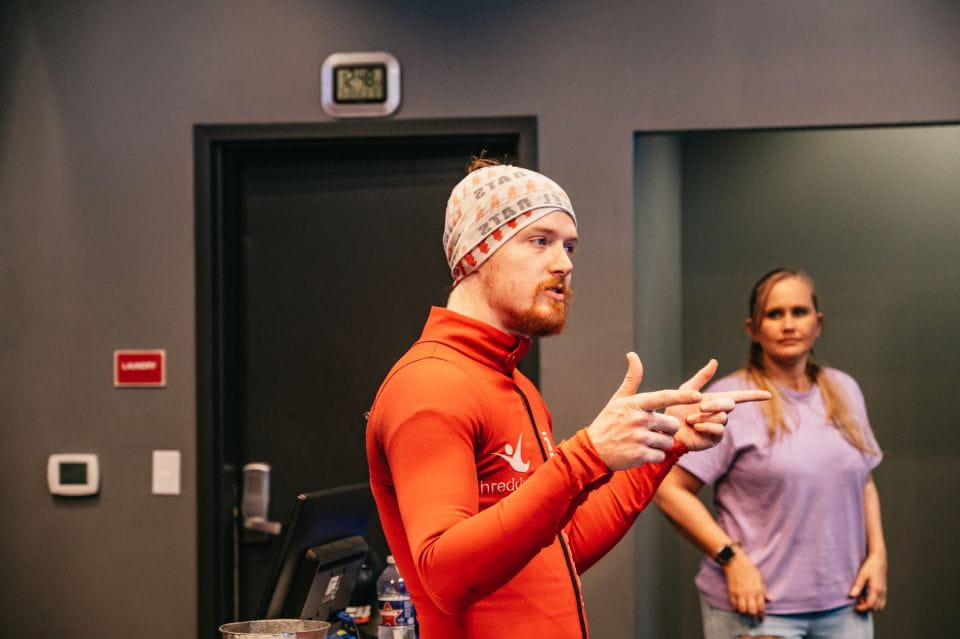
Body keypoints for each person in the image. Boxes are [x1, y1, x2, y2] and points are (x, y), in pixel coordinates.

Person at [364, 157, 769, 638]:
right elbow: (444, 575)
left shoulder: (513, 383)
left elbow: (559, 546)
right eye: (540, 241)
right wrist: (584, 457)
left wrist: (666, 442)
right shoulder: (431, 383)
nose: (564, 263)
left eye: (569, 246)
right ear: (476, 253)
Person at [654, 268, 888, 638]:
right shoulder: (732, 399)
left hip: (846, 605)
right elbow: (668, 488)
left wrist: (878, 557)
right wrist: (731, 559)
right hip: (759, 609)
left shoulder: (845, 389)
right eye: (774, 314)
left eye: (799, 312)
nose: (788, 324)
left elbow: (864, 481)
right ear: (753, 329)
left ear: (818, 323)